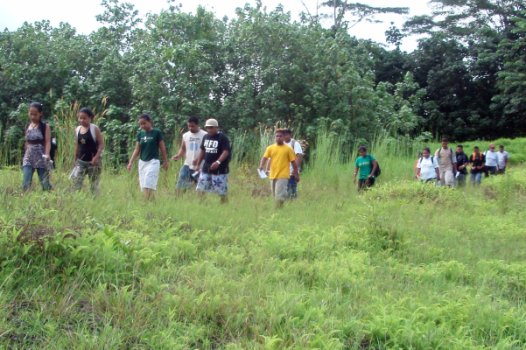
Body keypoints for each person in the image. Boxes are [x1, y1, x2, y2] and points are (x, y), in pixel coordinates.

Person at [127, 114, 169, 200]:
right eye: (140, 124)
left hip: (153, 162)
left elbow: (162, 148)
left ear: (150, 122)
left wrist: (165, 161)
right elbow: (137, 149)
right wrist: (130, 162)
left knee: (148, 183)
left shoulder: (157, 132)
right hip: (142, 162)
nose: (142, 126)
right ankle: (152, 203)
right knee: (144, 186)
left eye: (144, 123)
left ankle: (145, 202)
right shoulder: (140, 134)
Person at [259, 129, 300, 208]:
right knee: (274, 195)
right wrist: (261, 166)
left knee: (280, 196)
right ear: (275, 137)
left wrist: (296, 174)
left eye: (280, 136)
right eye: (277, 136)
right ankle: (279, 210)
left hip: (283, 175)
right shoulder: (270, 148)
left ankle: (278, 211)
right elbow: (265, 158)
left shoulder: (288, 149)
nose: (278, 138)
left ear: (283, 137)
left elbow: (293, 162)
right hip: (273, 175)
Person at [194, 119, 231, 203]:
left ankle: (224, 204)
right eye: (207, 128)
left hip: (219, 169)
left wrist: (218, 162)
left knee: (221, 190)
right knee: (201, 188)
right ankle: (202, 204)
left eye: (211, 127)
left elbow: (226, 151)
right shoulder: (205, 137)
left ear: (216, 127)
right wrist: (198, 164)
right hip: (206, 167)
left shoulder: (222, 137)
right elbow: (202, 151)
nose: (209, 129)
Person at [71, 107, 104, 195]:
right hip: (81, 161)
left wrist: (96, 158)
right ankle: (76, 200)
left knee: (94, 185)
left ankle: (95, 202)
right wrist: (75, 159)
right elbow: (77, 145)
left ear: (90, 118)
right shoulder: (77, 129)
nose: (82, 120)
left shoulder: (94, 129)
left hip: (93, 162)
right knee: (76, 183)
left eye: (84, 118)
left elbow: (101, 144)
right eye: (80, 118)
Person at [172, 116, 207, 196]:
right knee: (180, 184)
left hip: (201, 166)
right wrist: (178, 155)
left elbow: (206, 150)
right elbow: (183, 148)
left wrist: (198, 159)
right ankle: (177, 201)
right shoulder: (185, 135)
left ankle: (202, 204)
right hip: (187, 164)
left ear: (198, 125)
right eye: (189, 126)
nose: (190, 128)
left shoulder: (205, 135)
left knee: (201, 188)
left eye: (192, 126)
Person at [22, 102, 52, 191]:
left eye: (35, 114)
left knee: (45, 183)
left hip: (41, 156)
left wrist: (47, 154)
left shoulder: (45, 126)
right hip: (28, 157)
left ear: (40, 114)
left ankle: (50, 199)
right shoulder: (28, 126)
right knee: (26, 182)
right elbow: (27, 141)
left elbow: (47, 141)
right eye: (31, 114)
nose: (32, 117)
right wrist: (25, 153)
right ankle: (25, 197)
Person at [283, 129, 303, 198]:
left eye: (286, 134)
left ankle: (293, 203)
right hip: (282, 172)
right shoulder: (281, 144)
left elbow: (299, 156)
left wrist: (295, 171)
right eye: (283, 134)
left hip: (292, 172)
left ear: (290, 135)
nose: (284, 136)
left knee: (291, 190)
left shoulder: (294, 143)